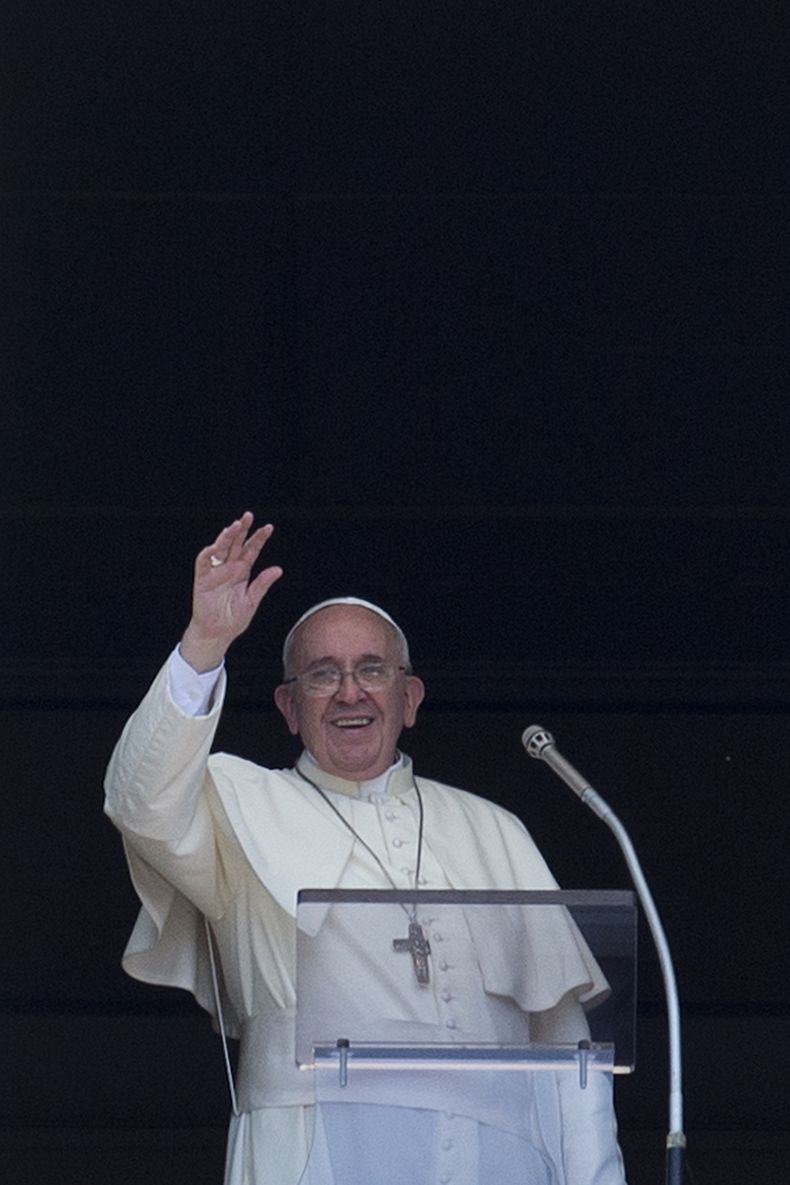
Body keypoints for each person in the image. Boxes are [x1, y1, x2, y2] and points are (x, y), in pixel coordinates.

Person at [104, 512, 628, 1185]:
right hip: (314, 1152)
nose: (350, 691)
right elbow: (136, 797)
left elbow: (569, 1057)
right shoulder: (236, 805)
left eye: (371, 669)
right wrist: (205, 642)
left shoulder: (494, 829)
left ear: (408, 698)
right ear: (289, 707)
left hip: (496, 1161)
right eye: (322, 675)